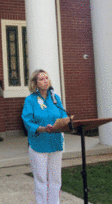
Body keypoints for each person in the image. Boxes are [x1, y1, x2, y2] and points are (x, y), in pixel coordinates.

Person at [21, 70, 69, 204]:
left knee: (55, 178)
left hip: (55, 142)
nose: (45, 81)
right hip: (38, 143)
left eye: (47, 78)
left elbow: (62, 114)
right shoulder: (30, 99)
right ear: (35, 83)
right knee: (41, 179)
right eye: (41, 79)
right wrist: (41, 128)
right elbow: (27, 121)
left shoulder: (55, 98)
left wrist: (65, 120)